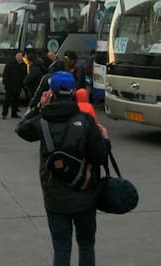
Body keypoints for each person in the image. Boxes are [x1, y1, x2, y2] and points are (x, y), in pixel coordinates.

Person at [15, 71, 111, 266]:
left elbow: (21, 129)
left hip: (55, 197)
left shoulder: (43, 121)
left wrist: (39, 107)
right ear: (74, 91)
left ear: (51, 92)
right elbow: (101, 156)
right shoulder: (86, 121)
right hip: (85, 195)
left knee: (61, 248)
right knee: (86, 245)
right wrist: (106, 139)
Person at [2, 51, 27, 119]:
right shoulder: (10, 63)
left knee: (16, 100)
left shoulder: (24, 65)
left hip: (18, 85)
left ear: (22, 57)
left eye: (20, 55)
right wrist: (4, 82)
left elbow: (25, 75)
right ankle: (4, 114)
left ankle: (14, 113)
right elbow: (5, 73)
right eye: (17, 55)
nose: (18, 57)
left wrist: (23, 85)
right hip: (9, 84)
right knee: (7, 100)